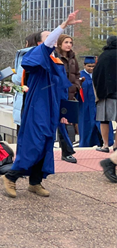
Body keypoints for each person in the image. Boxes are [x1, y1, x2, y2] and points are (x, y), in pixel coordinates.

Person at [2, 11, 81, 198]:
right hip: (37, 107)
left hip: (52, 109)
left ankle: (35, 182)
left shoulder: (56, 62)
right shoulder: (37, 57)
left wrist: (64, 113)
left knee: (46, 145)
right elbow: (48, 43)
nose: (53, 38)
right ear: (40, 43)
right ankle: (11, 177)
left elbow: (63, 89)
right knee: (34, 143)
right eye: (48, 36)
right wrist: (63, 24)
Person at [12, 31, 50, 131]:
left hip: (25, 98)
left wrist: (13, 76)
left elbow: (20, 78)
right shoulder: (46, 55)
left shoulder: (25, 55)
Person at [54, 34, 79, 163]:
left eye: (70, 42)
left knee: (66, 123)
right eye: (66, 42)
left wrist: (76, 86)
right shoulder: (55, 57)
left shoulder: (73, 58)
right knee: (56, 124)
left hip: (69, 95)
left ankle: (67, 151)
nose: (69, 45)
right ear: (59, 43)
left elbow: (76, 74)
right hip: (56, 94)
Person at [92, 36, 117, 153]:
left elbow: (96, 74)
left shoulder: (103, 57)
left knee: (104, 120)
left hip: (105, 94)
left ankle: (105, 145)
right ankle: (116, 145)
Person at [78, 56, 104, 148]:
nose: (91, 68)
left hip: (97, 104)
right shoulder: (79, 75)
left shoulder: (98, 75)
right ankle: (85, 145)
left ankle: (103, 143)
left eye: (93, 66)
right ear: (84, 65)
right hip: (84, 105)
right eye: (89, 66)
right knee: (86, 126)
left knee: (101, 124)